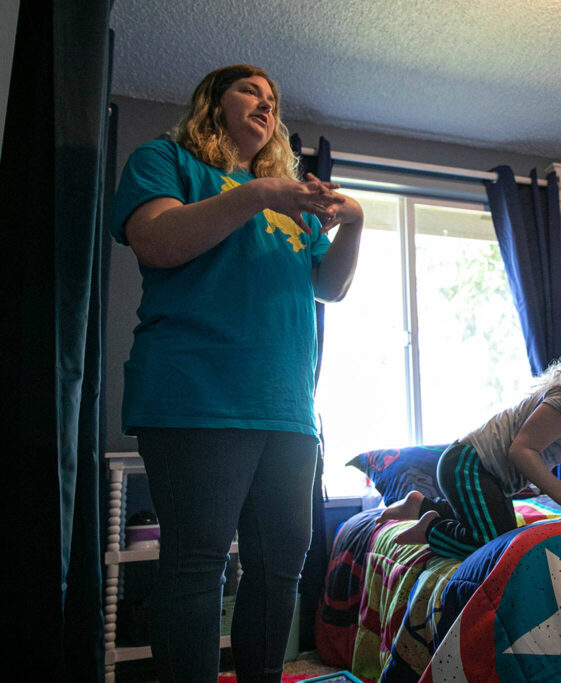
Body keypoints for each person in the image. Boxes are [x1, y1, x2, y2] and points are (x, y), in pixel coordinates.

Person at [111, 64, 364, 681]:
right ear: (212, 101)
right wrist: (255, 194)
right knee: (198, 565)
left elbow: (329, 288)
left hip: (289, 409)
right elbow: (156, 242)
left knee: (282, 566)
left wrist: (353, 221)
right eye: (251, 90)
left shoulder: (286, 199)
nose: (267, 102)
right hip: (195, 395)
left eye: (274, 98)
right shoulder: (166, 159)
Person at [377, 310, 561, 558]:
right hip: (469, 464)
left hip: (492, 478)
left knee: (498, 525)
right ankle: (432, 530)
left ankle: (423, 505)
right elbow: (521, 450)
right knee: (494, 544)